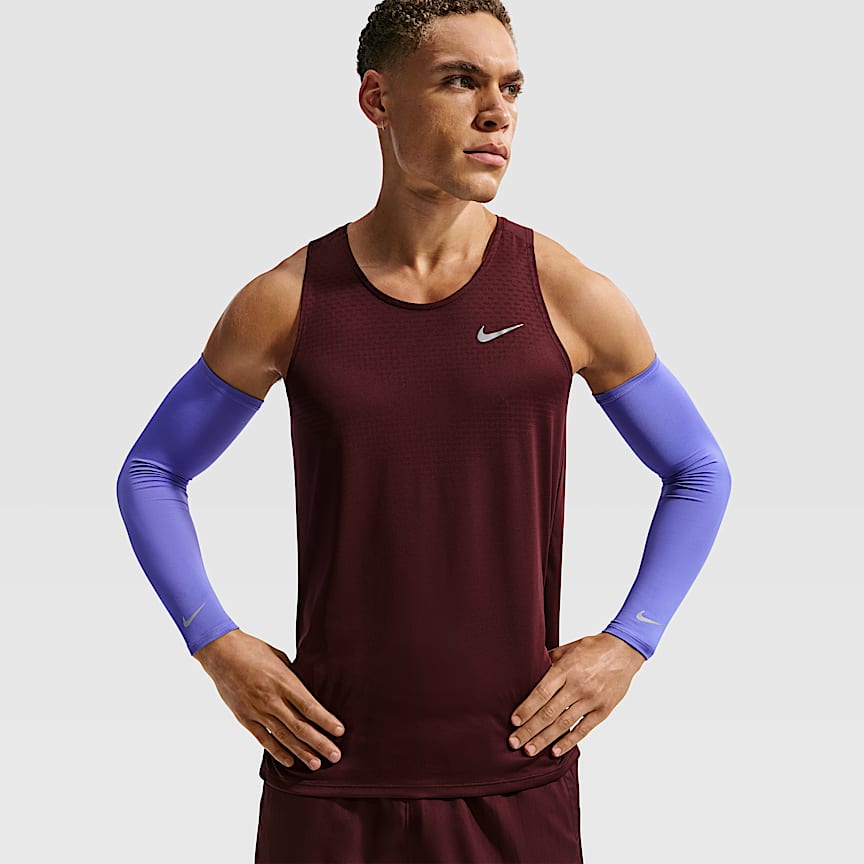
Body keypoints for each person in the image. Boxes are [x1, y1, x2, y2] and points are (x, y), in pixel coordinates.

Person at [116, 1, 732, 861]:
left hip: (515, 767)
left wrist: (631, 641)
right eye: (460, 81)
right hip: (327, 767)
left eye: (512, 86)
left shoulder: (563, 291)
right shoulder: (288, 300)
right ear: (378, 100)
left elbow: (698, 469)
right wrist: (215, 642)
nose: (497, 111)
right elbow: (151, 471)